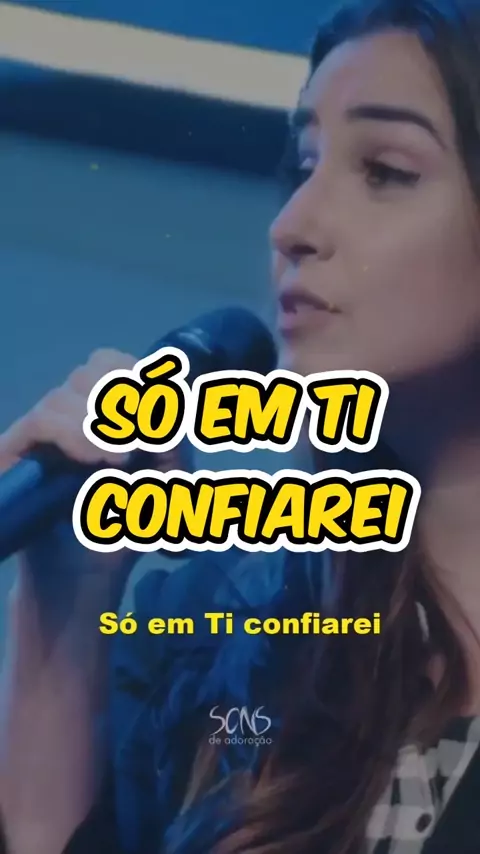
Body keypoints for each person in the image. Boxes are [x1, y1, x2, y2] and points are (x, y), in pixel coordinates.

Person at [2, 0, 480, 851]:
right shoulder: (219, 651)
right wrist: (66, 605)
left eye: (384, 171)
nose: (290, 226)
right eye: (304, 164)